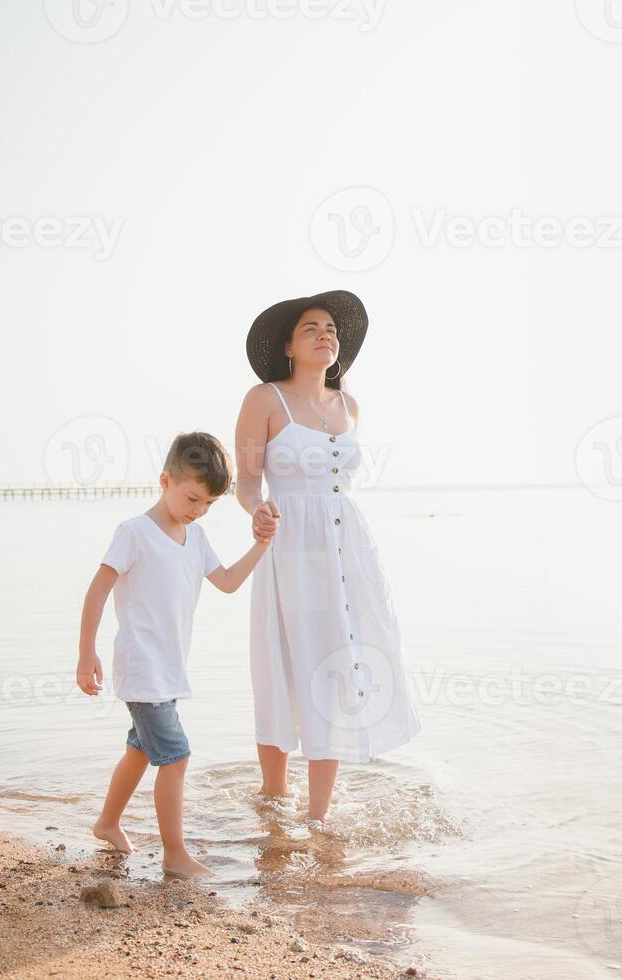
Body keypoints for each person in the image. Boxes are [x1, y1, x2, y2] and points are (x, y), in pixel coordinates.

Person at [234, 290, 422, 824]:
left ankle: (318, 818)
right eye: (312, 328)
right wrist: (256, 510)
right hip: (288, 544)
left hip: (347, 550)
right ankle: (273, 800)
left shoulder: (349, 405)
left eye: (333, 330)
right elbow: (247, 480)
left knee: (337, 666)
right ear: (290, 347)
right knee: (282, 664)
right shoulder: (264, 399)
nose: (326, 335)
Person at [76, 431, 277, 878]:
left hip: (168, 670)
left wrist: (261, 546)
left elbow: (225, 582)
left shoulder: (196, 537)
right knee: (176, 755)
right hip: (141, 667)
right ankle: (175, 855)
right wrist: (86, 651)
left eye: (207, 504)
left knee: (141, 750)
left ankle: (107, 823)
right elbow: (98, 589)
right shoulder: (134, 533)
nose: (198, 510)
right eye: (191, 498)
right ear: (165, 480)